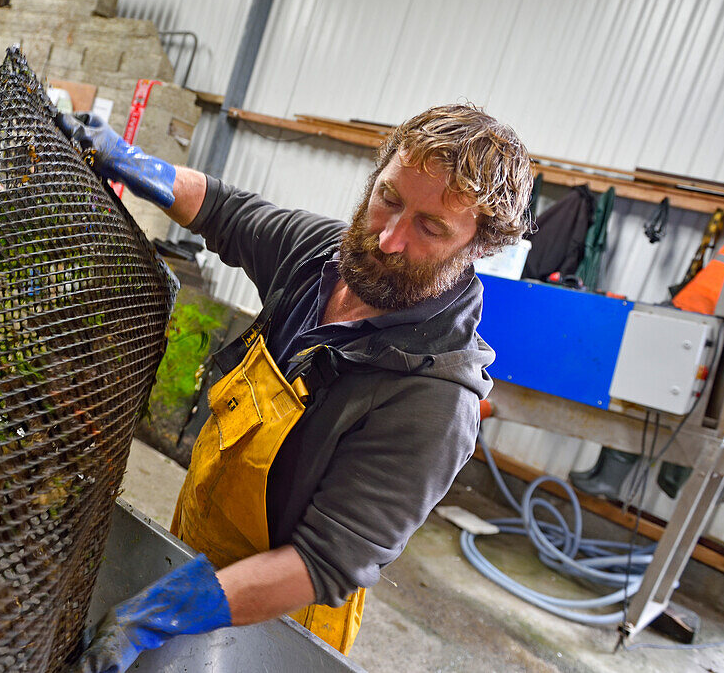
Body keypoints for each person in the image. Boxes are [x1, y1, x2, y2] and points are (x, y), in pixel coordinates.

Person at [56, 103, 533, 671]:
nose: (388, 239)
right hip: (190, 553)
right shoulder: (318, 259)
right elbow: (225, 211)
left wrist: (152, 616)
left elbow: (320, 564)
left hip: (279, 622)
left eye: (430, 228)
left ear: (477, 248)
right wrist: (139, 165)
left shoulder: (434, 401)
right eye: (389, 198)